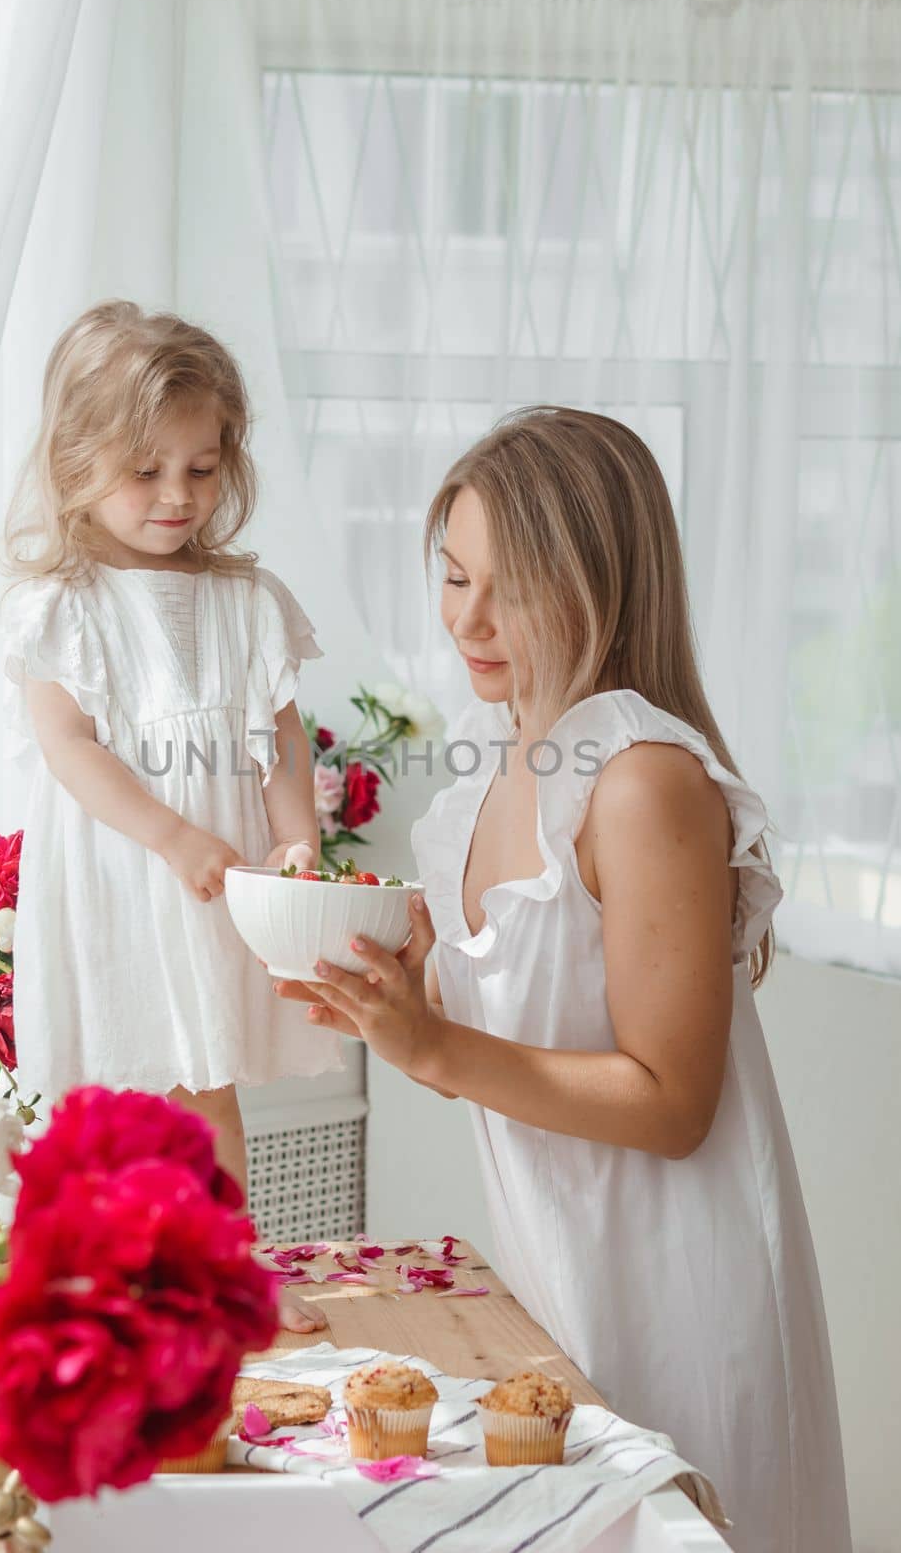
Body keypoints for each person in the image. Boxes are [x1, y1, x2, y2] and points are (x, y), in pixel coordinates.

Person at [275, 408, 852, 1547]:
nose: (468, 622)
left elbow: (671, 1103)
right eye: (452, 577)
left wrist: (433, 1047)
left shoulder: (639, 780)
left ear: (601, 584)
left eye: (513, 587)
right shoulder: (482, 791)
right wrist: (392, 1009)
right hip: (557, 1290)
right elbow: (497, 1064)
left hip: (684, 1292)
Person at [0, 299, 339, 1331]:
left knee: (209, 1085)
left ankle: (222, 1286)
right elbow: (71, 750)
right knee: (116, 1095)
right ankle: (103, 1297)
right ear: (74, 463)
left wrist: (299, 844)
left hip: (220, 883)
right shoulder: (66, 604)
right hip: (124, 874)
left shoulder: (247, 599)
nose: (176, 495)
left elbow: (278, 740)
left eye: (200, 467)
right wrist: (172, 834)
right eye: (144, 470)